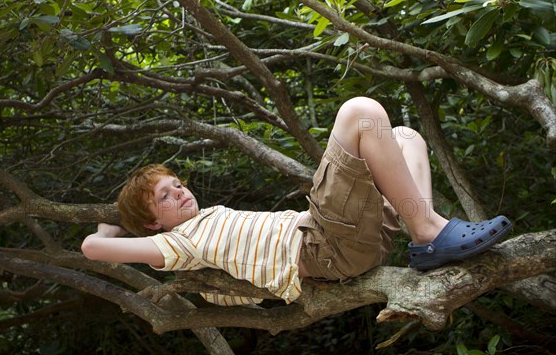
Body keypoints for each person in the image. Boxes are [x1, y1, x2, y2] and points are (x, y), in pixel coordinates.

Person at [81, 97, 512, 305]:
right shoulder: (175, 246)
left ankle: (425, 232)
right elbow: (92, 249)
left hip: (354, 236)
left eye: (177, 184)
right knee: (360, 112)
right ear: (153, 223)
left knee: (405, 136)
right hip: (325, 246)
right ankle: (428, 232)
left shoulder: (209, 219)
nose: (179, 191)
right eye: (164, 196)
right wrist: (111, 223)